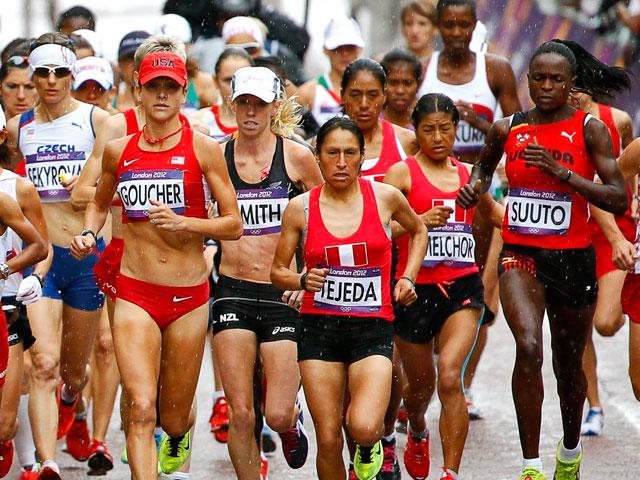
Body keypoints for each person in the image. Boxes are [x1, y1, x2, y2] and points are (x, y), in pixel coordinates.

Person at [456, 39, 629, 480]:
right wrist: (474, 187)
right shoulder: (507, 128)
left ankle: (569, 452)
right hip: (521, 254)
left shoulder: (590, 129)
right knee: (528, 346)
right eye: (538, 78)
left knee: (567, 364)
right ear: (527, 80)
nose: (546, 86)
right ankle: (531, 466)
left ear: (572, 84)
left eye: (556, 79)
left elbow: (617, 196)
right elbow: (482, 167)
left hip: (573, 260)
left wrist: (563, 173)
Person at [70, 50, 242, 479]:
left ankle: (179, 435)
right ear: (137, 93)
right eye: (153, 87)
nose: (161, 95)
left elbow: (234, 223)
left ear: (184, 93)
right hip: (135, 290)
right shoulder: (118, 150)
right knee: (142, 407)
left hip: (188, 295)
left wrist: (187, 222)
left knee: (173, 416)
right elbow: (95, 203)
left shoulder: (204, 150)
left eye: (170, 87)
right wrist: (89, 233)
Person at [271, 115, 427, 480]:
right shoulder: (301, 208)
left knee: (363, 426)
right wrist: (301, 278)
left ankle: (372, 447)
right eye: (332, 153)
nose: (341, 162)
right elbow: (277, 272)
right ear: (319, 157)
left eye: (349, 153)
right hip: (319, 332)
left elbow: (418, 230)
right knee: (328, 439)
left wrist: (407, 277)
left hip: (372, 329)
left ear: (361, 156)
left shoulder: (386, 198)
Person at [4, 32, 111, 480]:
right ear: (32, 76)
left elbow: (113, 189)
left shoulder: (99, 121)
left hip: (86, 256)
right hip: (41, 261)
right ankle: (47, 463)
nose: (50, 81)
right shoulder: (18, 128)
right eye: (42, 73)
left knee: (73, 372)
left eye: (60, 72)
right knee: (42, 364)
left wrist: (82, 191)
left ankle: (73, 401)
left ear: (73, 74)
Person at [210, 65, 322, 479]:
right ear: (232, 105)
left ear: (275, 105)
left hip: (281, 294)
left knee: (273, 414)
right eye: (243, 103)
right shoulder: (217, 156)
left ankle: (291, 421)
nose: (251, 112)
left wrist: (307, 274)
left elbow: (326, 218)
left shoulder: (296, 156)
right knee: (240, 413)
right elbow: (203, 213)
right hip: (233, 290)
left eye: (259, 103)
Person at [384, 93, 503, 480]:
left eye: (445, 129)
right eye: (429, 129)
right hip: (415, 290)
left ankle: (450, 472)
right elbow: (380, 231)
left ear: (455, 130)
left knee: (450, 377)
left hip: (462, 289)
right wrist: (420, 221)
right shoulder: (401, 174)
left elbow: (497, 216)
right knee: (418, 390)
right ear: (416, 132)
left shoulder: (469, 175)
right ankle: (417, 428)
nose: (438, 137)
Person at [339, 57, 417, 479]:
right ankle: (358, 451)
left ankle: (385, 437)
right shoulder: (327, 145)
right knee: (344, 367)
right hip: (341, 273)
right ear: (342, 96)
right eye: (356, 95)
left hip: (392, 269)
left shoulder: (406, 142)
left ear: (386, 96)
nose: (365, 104)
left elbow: (428, 189)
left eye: (373, 95)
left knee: (390, 363)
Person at [565, 76, 635, 437]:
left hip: (613, 229)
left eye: (579, 85)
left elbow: (623, 173)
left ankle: (628, 301)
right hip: (573, 229)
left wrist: (634, 198)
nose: (573, 94)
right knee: (578, 325)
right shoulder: (550, 121)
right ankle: (593, 405)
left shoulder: (617, 120)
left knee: (606, 323)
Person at [297, 16, 364, 135]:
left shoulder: (371, 91)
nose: (345, 53)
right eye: (337, 48)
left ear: (359, 50)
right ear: (326, 50)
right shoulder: (308, 92)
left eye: (350, 47)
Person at [154, 13, 218, 113]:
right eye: (163, 47)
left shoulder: (204, 81)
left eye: (176, 46)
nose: (170, 52)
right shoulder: (147, 82)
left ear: (188, 46)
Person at [191, 48, 253, 142]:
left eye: (244, 80)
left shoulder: (268, 123)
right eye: (229, 80)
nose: (235, 87)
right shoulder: (198, 121)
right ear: (215, 81)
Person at [380, 49, 422, 130]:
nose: (400, 91)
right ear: (383, 84)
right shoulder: (371, 123)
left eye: (407, 83)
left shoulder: (424, 126)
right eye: (392, 83)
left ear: (418, 84)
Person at [113, 31, 151, 113]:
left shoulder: (172, 105)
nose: (137, 64)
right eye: (131, 58)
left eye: (144, 57)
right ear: (120, 64)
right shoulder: (106, 106)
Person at [400, 1, 438, 67]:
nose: (414, 31)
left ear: (435, 29)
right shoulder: (390, 64)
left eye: (422, 24)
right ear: (402, 28)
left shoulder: (442, 65)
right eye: (409, 23)